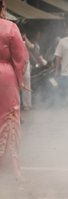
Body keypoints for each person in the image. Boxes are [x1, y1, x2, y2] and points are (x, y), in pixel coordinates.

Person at [0, 0, 29, 180]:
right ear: (2, 7)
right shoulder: (9, 27)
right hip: (5, 76)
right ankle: (9, 170)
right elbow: (21, 57)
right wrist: (20, 79)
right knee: (8, 119)